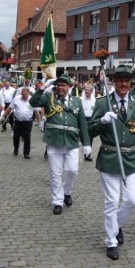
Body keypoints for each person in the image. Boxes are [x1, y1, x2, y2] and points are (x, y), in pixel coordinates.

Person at [89, 65, 135, 260]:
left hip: (130, 159)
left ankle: (117, 225)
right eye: (120, 80)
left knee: (132, 200)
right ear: (114, 82)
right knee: (112, 201)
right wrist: (102, 121)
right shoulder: (103, 103)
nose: (124, 84)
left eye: (127, 80)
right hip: (109, 158)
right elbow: (90, 130)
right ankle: (111, 241)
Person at [29, 74, 91, 215]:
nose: (61, 88)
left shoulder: (77, 102)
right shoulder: (49, 98)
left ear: (69, 87)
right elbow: (33, 102)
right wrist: (44, 86)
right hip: (54, 141)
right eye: (58, 85)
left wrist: (86, 143)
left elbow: (82, 123)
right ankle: (57, 201)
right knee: (55, 174)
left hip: (71, 142)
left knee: (72, 170)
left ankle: (66, 191)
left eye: (64, 85)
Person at [0, 86, 34, 159]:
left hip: (28, 122)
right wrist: (3, 115)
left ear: (28, 93)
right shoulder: (16, 99)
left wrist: (40, 121)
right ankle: (16, 148)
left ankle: (26, 153)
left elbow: (36, 111)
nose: (23, 95)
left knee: (27, 137)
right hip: (18, 121)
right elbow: (9, 108)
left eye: (24, 94)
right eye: (22, 94)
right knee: (16, 137)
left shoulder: (32, 100)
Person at [80, 84, 96, 161]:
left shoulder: (94, 100)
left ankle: (87, 155)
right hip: (82, 120)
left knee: (90, 138)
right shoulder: (80, 100)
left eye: (88, 90)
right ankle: (82, 151)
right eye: (85, 90)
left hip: (91, 120)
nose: (86, 91)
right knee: (82, 138)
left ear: (91, 91)